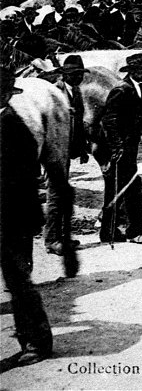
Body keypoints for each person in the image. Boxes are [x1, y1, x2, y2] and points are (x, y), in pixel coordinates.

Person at [0, 65, 53, 367]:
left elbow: (22, 177)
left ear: (6, 95)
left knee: (19, 283)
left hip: (12, 218)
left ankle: (37, 342)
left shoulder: (12, 126)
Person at [98, 53, 142, 244]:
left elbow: (141, 116)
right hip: (120, 148)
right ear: (133, 71)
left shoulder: (141, 88)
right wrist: (117, 146)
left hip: (129, 147)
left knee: (120, 188)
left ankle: (109, 232)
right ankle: (134, 231)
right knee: (127, 186)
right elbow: (109, 120)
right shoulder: (121, 90)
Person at [45, 54, 88, 255]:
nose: (78, 77)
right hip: (53, 149)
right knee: (55, 192)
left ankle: (61, 237)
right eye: (74, 74)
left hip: (67, 148)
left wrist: (81, 148)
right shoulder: (55, 92)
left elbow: (77, 122)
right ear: (65, 75)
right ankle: (52, 239)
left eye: (80, 74)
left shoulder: (76, 91)